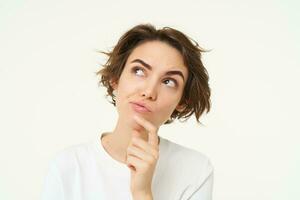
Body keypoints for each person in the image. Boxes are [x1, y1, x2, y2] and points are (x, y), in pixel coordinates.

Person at [41, 23, 214, 200]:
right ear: (115, 78)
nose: (149, 91)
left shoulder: (196, 170)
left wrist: (142, 193)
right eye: (139, 71)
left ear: (182, 101)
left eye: (168, 81)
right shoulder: (68, 166)